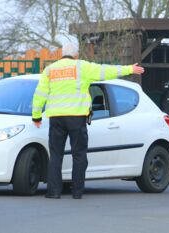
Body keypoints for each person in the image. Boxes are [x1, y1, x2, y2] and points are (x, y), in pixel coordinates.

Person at [32, 42, 144, 199]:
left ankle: (53, 192)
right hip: (76, 118)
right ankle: (77, 192)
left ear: (60, 54)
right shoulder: (82, 67)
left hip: (56, 118)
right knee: (79, 154)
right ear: (76, 55)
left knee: (56, 155)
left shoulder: (49, 70)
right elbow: (106, 71)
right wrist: (129, 69)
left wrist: (36, 116)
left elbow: (39, 94)